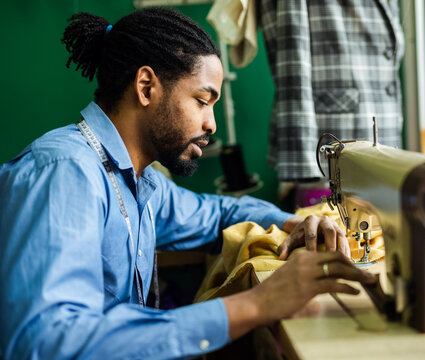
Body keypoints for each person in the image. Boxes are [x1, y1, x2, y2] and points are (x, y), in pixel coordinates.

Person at [0, 7, 375, 359]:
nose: (212, 124)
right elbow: (45, 342)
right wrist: (256, 304)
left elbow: (217, 214)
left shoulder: (140, 181)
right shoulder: (66, 172)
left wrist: (292, 223)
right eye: (202, 100)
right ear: (146, 87)